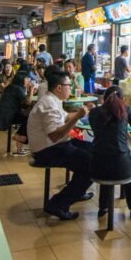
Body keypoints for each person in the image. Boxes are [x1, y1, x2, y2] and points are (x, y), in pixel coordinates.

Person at [26, 71, 94, 220]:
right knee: (91, 165)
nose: (70, 88)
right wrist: (77, 117)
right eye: (68, 85)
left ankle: (78, 189)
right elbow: (55, 136)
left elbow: (64, 117)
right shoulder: (48, 104)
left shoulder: (53, 100)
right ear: (59, 88)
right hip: (46, 151)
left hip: (55, 145)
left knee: (93, 150)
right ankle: (58, 204)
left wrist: (85, 111)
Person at [88, 85, 131, 219]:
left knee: (105, 156)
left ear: (104, 99)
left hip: (97, 166)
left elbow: (101, 134)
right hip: (122, 168)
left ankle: (103, 207)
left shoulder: (93, 113)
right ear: (123, 99)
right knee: (129, 164)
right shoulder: (127, 111)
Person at [0, 71, 36, 155]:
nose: (29, 80)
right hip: (9, 115)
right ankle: (19, 136)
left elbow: (23, 104)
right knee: (31, 118)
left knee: (28, 117)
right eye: (27, 78)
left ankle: (19, 149)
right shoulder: (18, 88)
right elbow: (28, 102)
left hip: (5, 114)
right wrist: (31, 90)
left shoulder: (12, 87)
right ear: (22, 79)